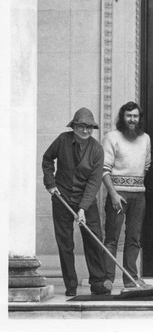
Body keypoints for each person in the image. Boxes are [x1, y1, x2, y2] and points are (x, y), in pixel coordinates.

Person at [42, 107, 112, 296]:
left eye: (89, 127)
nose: (85, 130)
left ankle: (97, 282)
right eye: (81, 126)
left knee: (94, 238)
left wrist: (82, 208)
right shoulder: (62, 140)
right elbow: (47, 159)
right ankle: (70, 286)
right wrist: (50, 182)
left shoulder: (97, 149)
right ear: (73, 126)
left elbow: (94, 182)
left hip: (86, 200)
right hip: (61, 197)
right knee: (65, 243)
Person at [102, 101, 151, 288]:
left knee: (134, 238)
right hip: (118, 194)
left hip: (139, 195)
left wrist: (136, 184)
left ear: (139, 118)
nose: (132, 119)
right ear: (123, 117)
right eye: (129, 116)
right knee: (112, 238)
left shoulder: (145, 138)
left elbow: (146, 166)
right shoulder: (111, 137)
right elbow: (104, 169)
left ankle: (131, 278)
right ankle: (107, 279)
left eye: (135, 116)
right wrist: (114, 194)